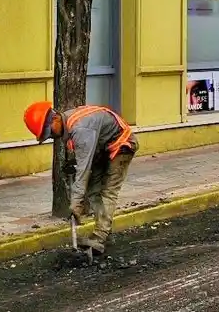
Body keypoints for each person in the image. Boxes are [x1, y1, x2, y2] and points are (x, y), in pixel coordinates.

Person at [23, 102, 137, 254]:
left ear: (55, 119)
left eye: (49, 132)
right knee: (93, 190)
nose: (51, 136)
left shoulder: (80, 129)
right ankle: (105, 233)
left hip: (122, 144)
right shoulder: (69, 123)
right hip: (102, 148)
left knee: (108, 191)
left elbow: (83, 171)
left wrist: (76, 203)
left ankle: (100, 235)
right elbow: (84, 158)